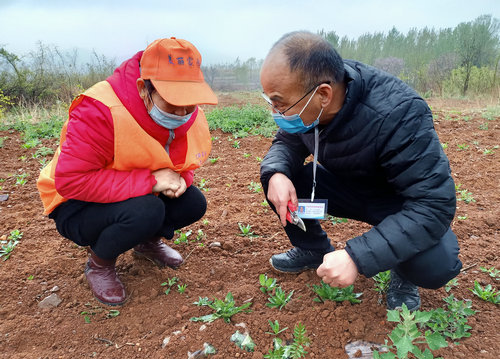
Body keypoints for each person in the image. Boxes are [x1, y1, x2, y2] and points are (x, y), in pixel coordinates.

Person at [259, 31, 462, 311]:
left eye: (280, 103)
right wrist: (276, 173)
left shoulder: (399, 113)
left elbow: (433, 204)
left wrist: (357, 256)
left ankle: (403, 274)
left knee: (436, 262)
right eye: (270, 101)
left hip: (398, 203)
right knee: (284, 179)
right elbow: (287, 142)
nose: (276, 112)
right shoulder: (310, 102)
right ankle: (314, 250)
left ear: (323, 95)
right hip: (347, 187)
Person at [37, 37, 217, 306]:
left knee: (192, 202)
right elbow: (72, 182)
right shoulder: (99, 108)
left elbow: (184, 163)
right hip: (75, 202)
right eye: (172, 101)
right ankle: (100, 264)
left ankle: (146, 244)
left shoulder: (188, 114)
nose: (182, 111)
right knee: (147, 211)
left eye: (189, 102)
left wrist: (180, 179)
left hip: (134, 191)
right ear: (144, 89)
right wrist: (151, 181)